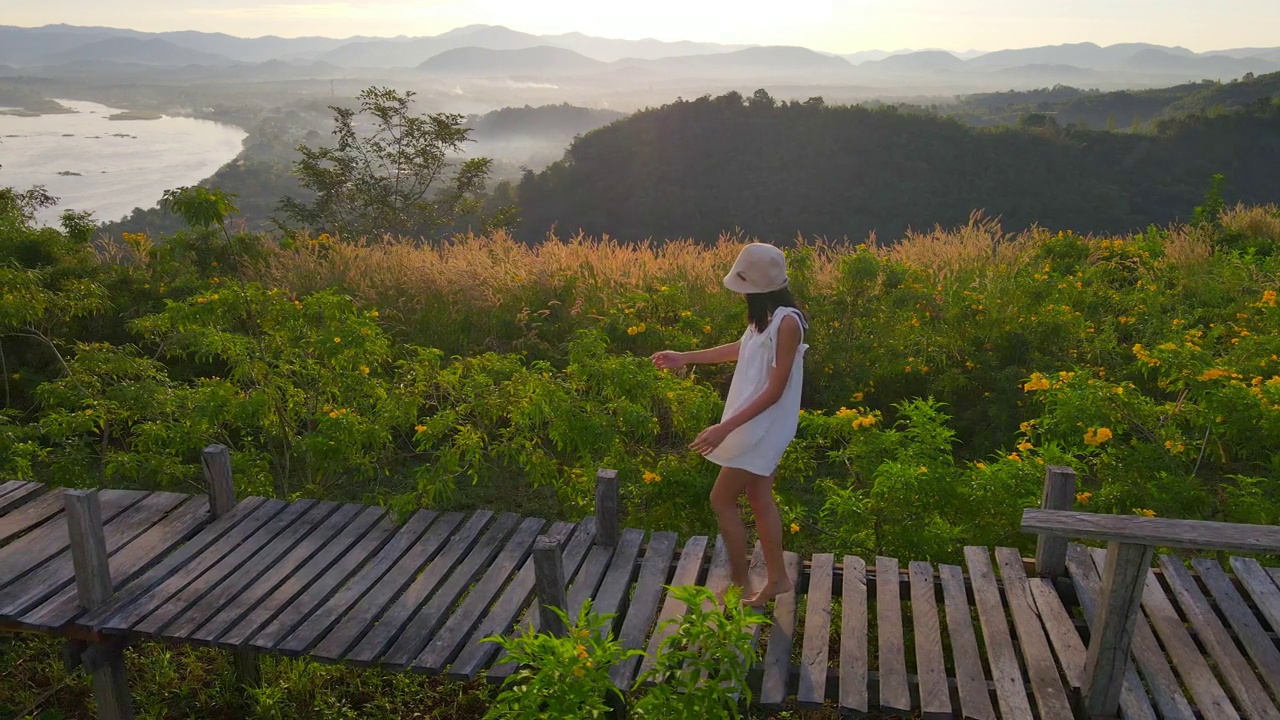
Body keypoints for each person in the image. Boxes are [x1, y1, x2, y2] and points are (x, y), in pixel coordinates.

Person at [651, 243, 808, 607]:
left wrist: (724, 428)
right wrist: (684, 357)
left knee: (722, 498)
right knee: (758, 497)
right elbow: (740, 349)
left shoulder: (787, 322)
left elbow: (775, 390)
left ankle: (739, 580)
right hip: (751, 420)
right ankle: (778, 580)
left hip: (761, 425)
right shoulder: (766, 318)